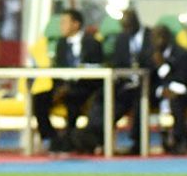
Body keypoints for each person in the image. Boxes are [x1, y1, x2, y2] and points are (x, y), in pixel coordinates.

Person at [73, 9, 153, 155]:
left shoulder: (151, 36)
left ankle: (137, 142)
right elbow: (117, 62)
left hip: (147, 85)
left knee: (138, 100)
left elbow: (155, 63)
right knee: (102, 96)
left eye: (128, 25)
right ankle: (93, 134)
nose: (126, 29)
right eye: (123, 26)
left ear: (136, 22)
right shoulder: (122, 38)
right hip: (124, 84)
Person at [31, 9, 103, 154]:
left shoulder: (92, 43)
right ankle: (52, 138)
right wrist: (60, 88)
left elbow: (97, 71)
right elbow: (57, 69)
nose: (61, 26)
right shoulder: (61, 44)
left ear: (76, 24)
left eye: (64, 22)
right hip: (62, 86)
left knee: (73, 99)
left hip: (84, 87)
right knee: (39, 100)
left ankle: (70, 140)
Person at [149, 25, 187, 155]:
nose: (155, 42)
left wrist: (163, 69)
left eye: (158, 38)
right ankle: (140, 142)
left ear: (165, 38)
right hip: (163, 93)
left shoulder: (181, 54)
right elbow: (152, 80)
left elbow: (185, 79)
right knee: (141, 99)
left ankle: (180, 141)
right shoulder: (152, 56)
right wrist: (161, 90)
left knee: (176, 101)